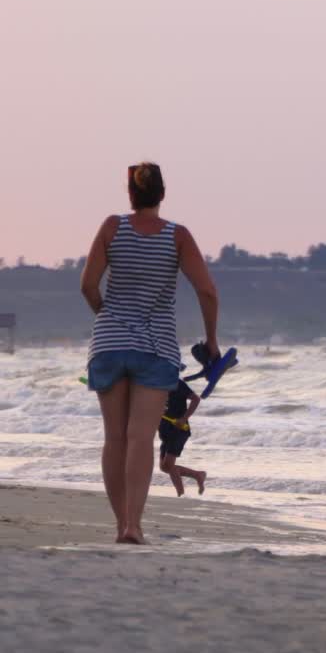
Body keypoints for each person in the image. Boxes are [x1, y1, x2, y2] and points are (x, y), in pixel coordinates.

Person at [80, 162, 220, 544]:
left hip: (109, 345)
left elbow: (88, 285)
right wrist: (211, 341)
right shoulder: (177, 236)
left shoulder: (112, 227)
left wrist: (109, 319)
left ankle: (118, 525)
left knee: (115, 439)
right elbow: (207, 291)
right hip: (156, 348)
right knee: (140, 438)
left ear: (131, 193)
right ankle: (134, 526)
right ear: (162, 192)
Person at [158, 380, 207, 496]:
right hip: (165, 430)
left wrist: (184, 419)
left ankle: (181, 493)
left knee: (168, 465)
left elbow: (196, 399)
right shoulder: (154, 381)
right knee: (164, 467)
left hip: (179, 430)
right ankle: (197, 475)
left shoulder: (176, 383)